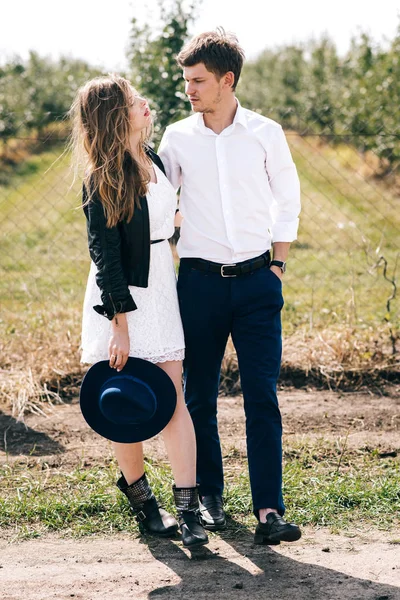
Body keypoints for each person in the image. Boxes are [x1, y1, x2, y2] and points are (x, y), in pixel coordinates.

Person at [159, 30, 302, 545]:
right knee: (199, 396)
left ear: (227, 80)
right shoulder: (176, 138)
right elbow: (158, 201)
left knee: (261, 397)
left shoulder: (265, 133)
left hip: (258, 282)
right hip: (198, 284)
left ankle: (269, 509)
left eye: (198, 81)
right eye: (186, 81)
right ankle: (210, 495)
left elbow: (288, 198)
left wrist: (278, 267)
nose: (189, 90)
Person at [70, 74, 208, 548]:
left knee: (173, 403)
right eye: (133, 102)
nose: (144, 104)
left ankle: (189, 510)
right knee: (126, 401)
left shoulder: (150, 159)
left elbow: (158, 223)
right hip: (122, 303)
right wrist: (120, 327)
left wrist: (173, 223)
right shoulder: (101, 179)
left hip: (160, 292)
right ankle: (144, 502)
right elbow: (104, 258)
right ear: (115, 116)